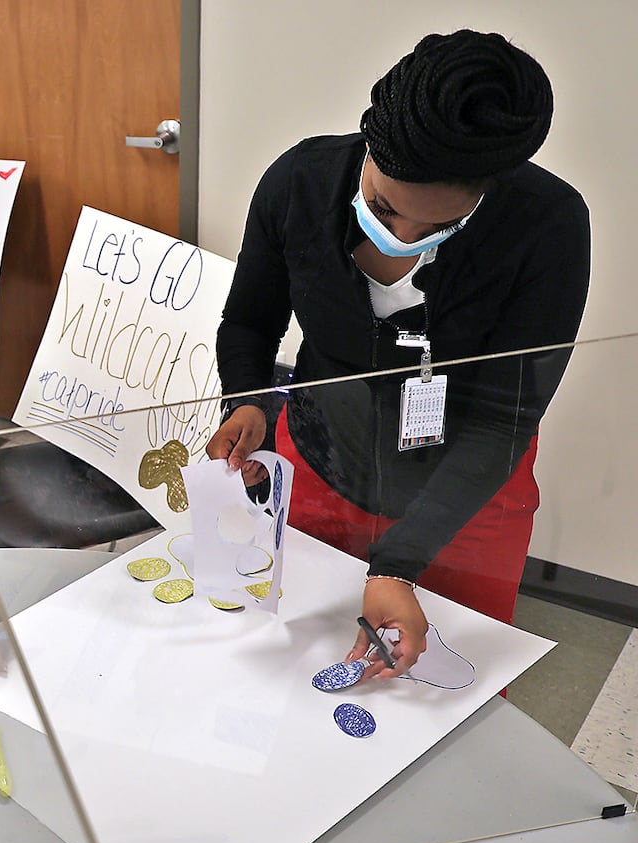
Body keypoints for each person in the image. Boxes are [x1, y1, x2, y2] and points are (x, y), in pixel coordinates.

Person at [206, 29, 590, 678]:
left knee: (444, 699)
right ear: (369, 149)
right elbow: (248, 321)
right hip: (322, 470)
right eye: (383, 207)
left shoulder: (546, 227)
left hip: (467, 495)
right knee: (291, 679)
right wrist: (246, 401)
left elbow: (503, 421)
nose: (402, 237)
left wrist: (398, 562)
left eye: (436, 228)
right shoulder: (298, 184)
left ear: (487, 191)